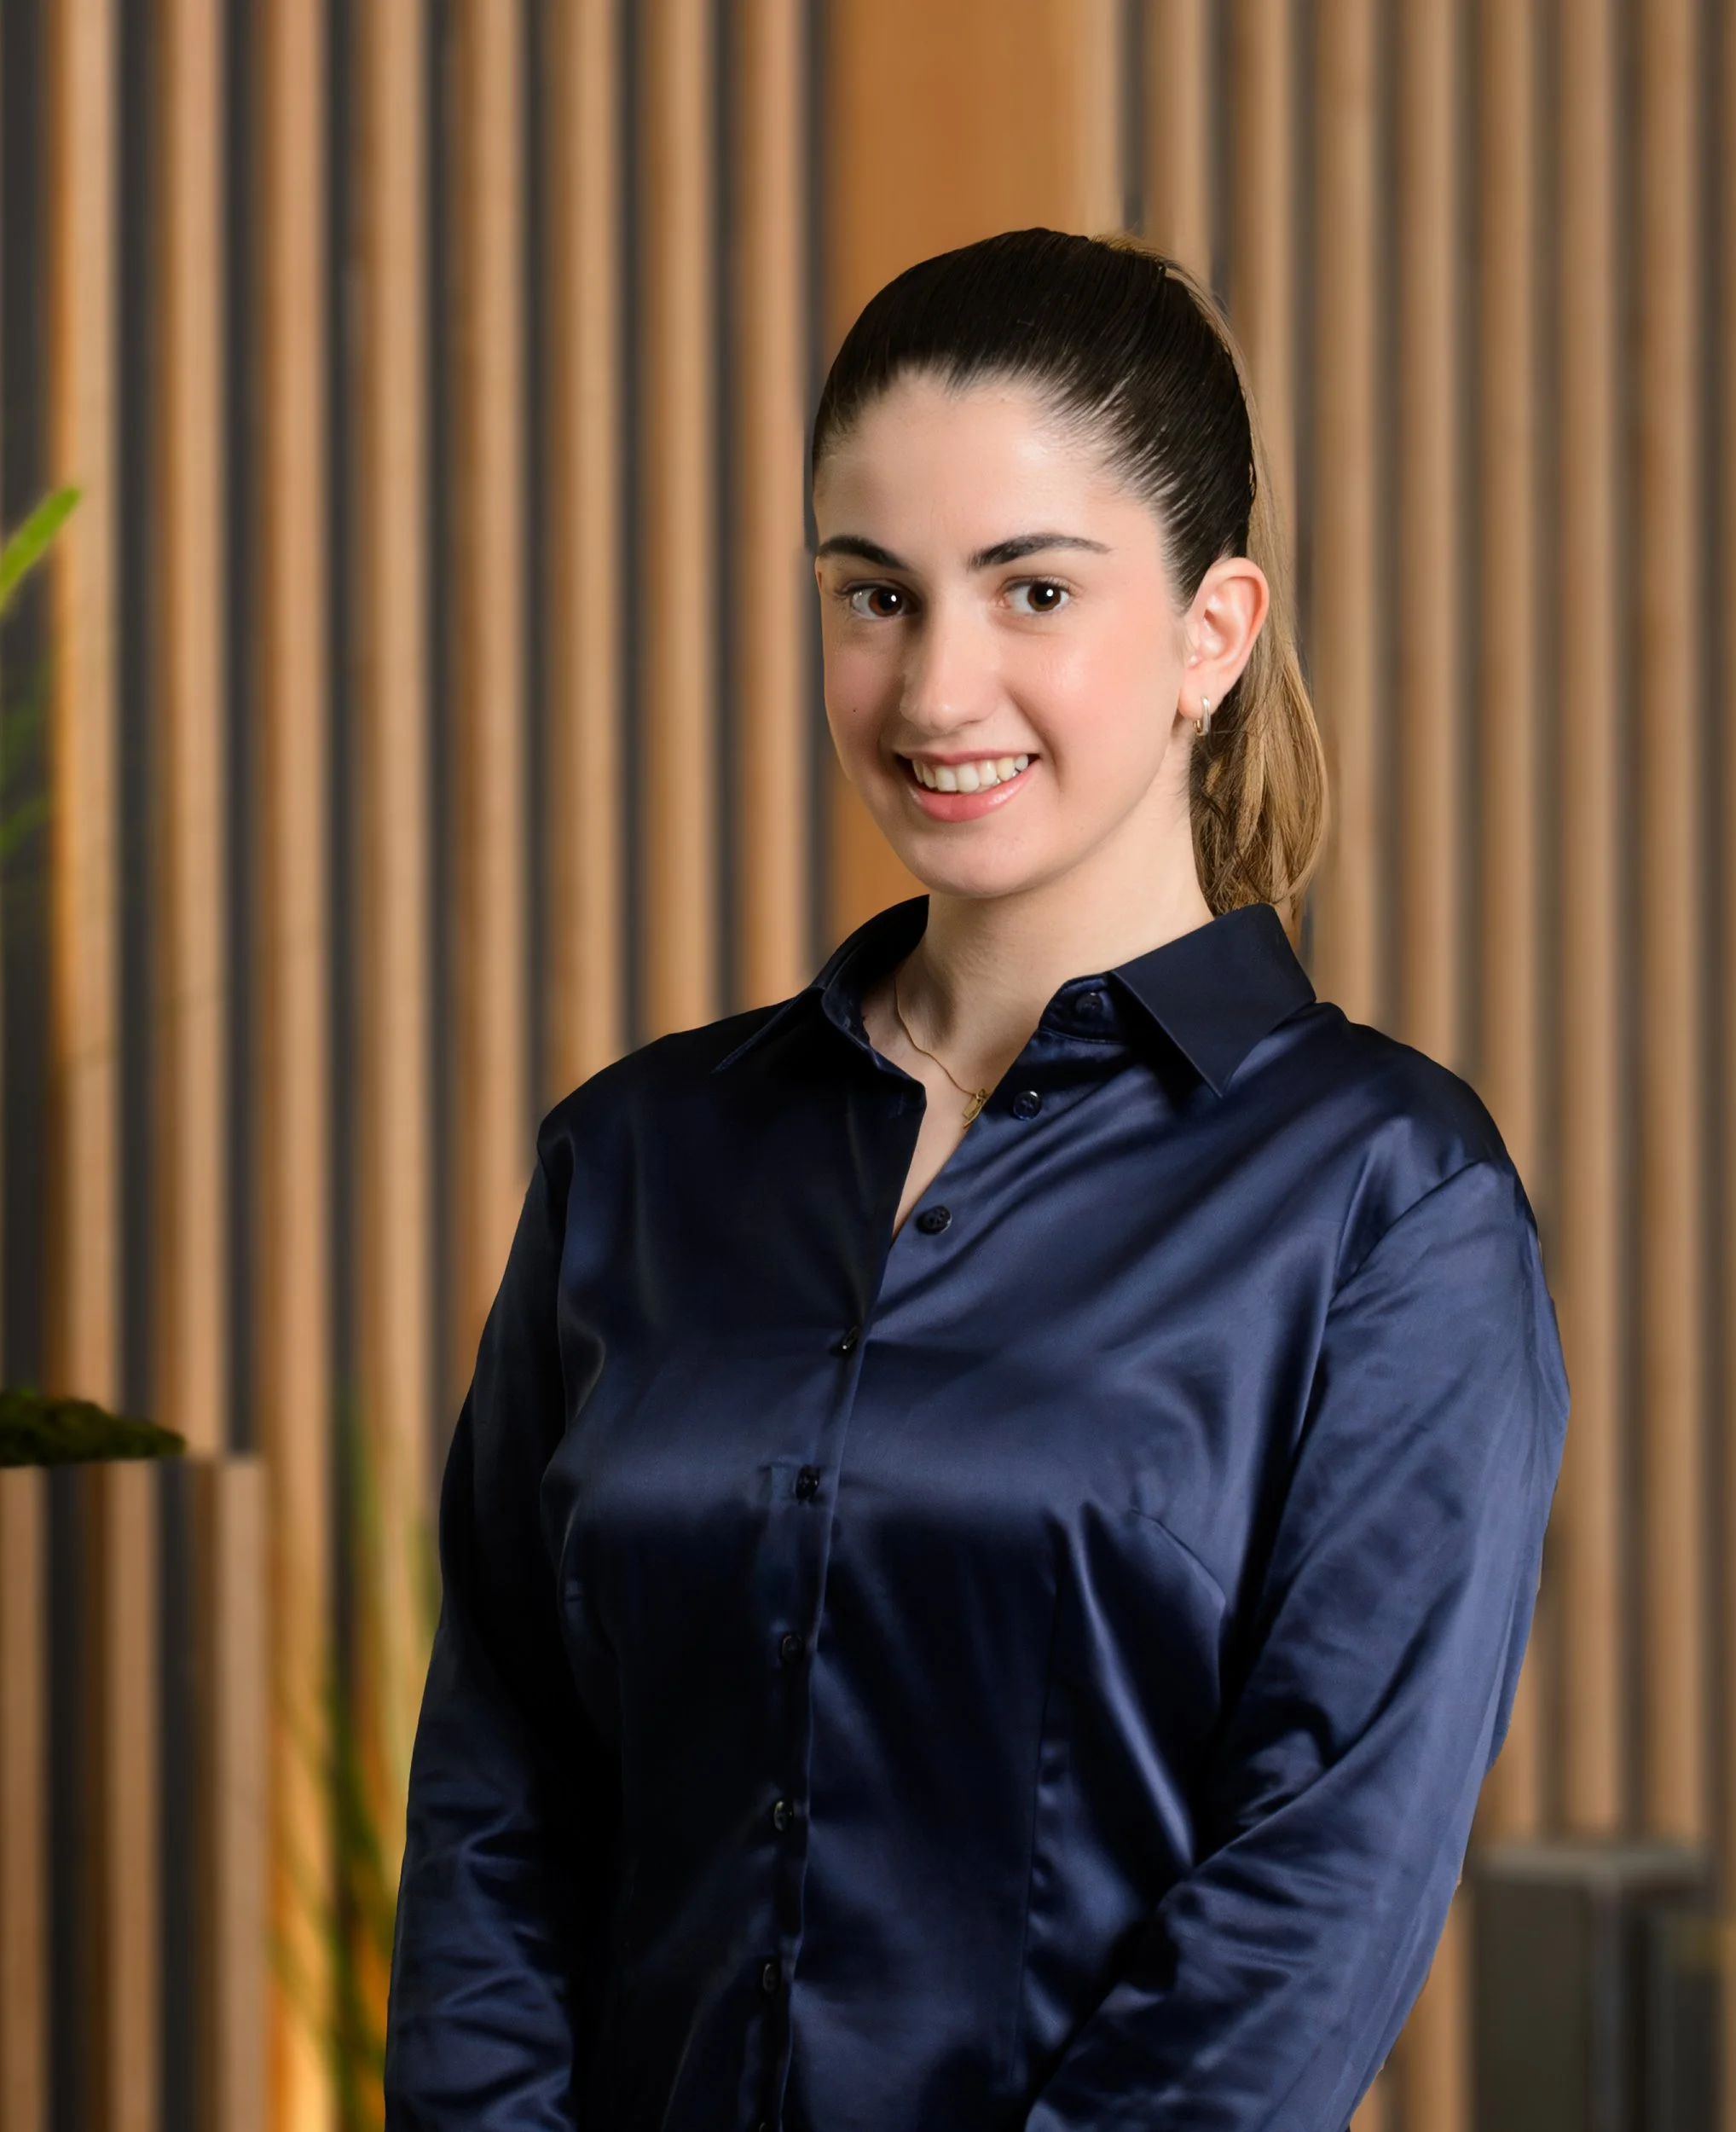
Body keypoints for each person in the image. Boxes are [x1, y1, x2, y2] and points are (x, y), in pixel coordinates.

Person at [383, 227, 1568, 2132]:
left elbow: (1304, 1906)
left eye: (1031, 590)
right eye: (873, 595)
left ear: (1212, 628)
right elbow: (499, 1805)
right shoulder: (637, 1154)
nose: (937, 686)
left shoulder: (1383, 1203)